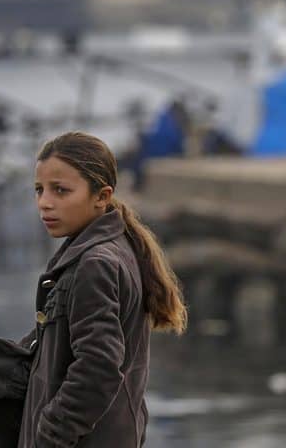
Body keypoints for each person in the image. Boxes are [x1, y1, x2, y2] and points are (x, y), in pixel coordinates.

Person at [20, 131, 187, 447]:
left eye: (61, 191)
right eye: (39, 190)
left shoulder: (94, 263)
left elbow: (99, 366)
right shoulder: (109, 250)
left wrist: (50, 434)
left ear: (102, 196)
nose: (45, 203)